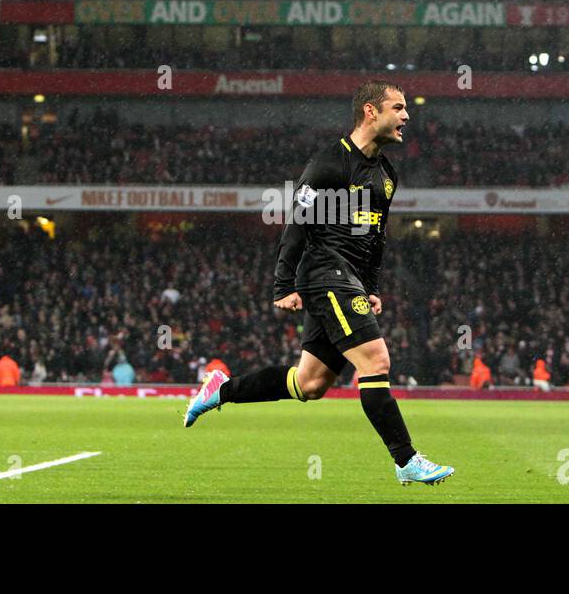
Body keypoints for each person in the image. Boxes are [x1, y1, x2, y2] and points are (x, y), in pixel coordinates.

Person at [184, 80, 454, 486]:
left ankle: (220, 391)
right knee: (376, 360)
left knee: (309, 383)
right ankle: (406, 459)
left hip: (349, 279)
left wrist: (371, 286)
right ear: (370, 111)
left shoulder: (385, 174)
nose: (406, 116)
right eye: (397, 108)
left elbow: (375, 235)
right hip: (324, 272)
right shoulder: (329, 163)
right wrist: (282, 285)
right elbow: (298, 222)